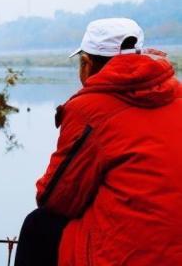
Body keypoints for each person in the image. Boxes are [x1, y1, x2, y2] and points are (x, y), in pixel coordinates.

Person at [14, 18, 182, 266]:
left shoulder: (89, 109)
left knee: (38, 225)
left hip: (125, 257)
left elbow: (55, 198)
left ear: (87, 63)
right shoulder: (176, 95)